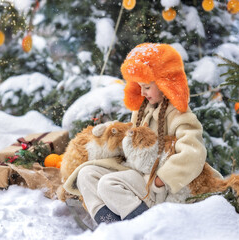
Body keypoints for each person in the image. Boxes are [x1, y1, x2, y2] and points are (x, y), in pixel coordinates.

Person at [64, 43, 220, 225]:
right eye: (139, 86)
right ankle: (109, 224)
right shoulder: (142, 109)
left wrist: (163, 179)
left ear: (164, 84)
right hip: (138, 171)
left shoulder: (179, 114)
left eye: (146, 87)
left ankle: (142, 224)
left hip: (160, 183)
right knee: (86, 174)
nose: (142, 92)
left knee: (108, 184)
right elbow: (133, 139)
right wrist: (110, 133)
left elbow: (194, 152)